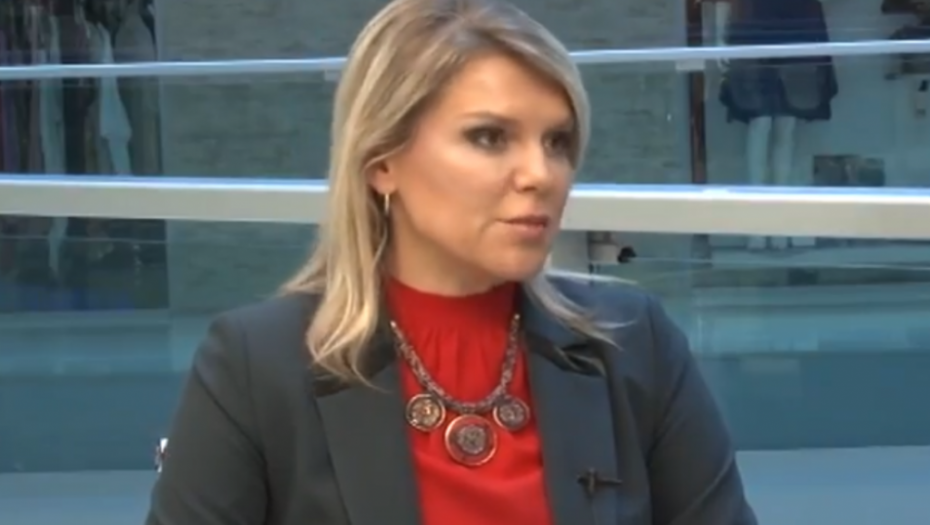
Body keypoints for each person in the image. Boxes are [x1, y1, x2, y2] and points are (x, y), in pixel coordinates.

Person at [145, 0, 758, 523]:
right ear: (382, 162)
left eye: (557, 141)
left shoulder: (634, 341)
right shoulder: (255, 367)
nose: (541, 174)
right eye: (489, 137)